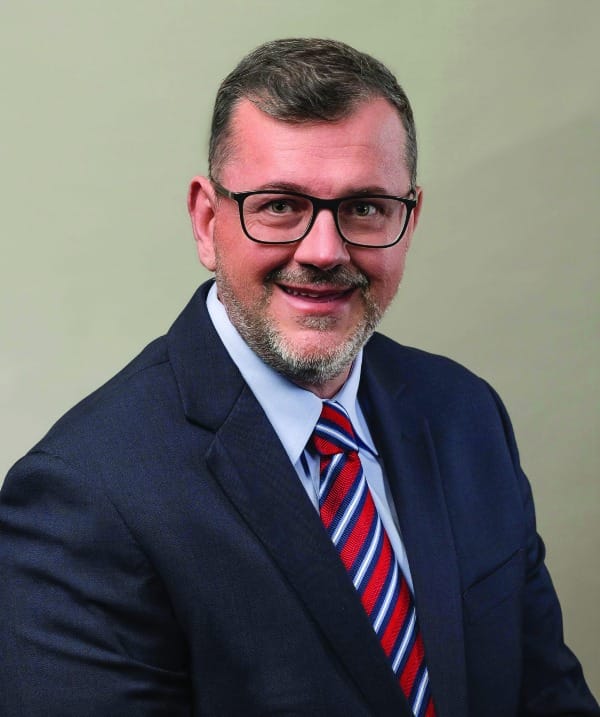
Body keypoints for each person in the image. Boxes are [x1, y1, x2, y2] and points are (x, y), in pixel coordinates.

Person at [0, 38, 597, 717]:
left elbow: (548, 696)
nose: (324, 251)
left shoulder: (464, 413)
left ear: (409, 220)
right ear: (207, 221)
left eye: (365, 207)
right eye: (280, 205)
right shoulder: (82, 497)